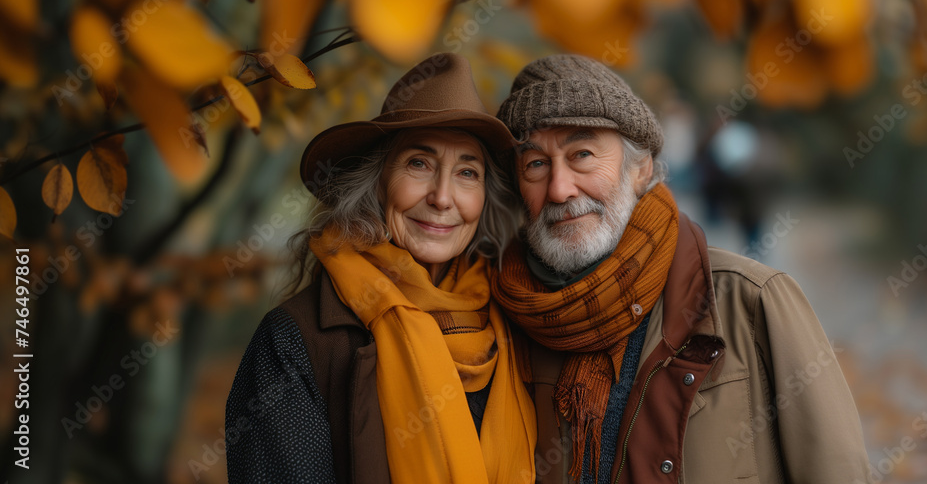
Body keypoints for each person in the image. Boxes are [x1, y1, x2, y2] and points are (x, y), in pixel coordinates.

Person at [490, 54, 871, 484]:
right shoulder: (506, 321)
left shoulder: (753, 302)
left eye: (582, 154)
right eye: (536, 164)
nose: (560, 189)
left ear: (641, 170)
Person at [225, 53, 537, 484]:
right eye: (418, 164)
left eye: (467, 172)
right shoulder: (296, 339)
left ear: (485, 197)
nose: (443, 198)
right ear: (376, 181)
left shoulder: (515, 319)